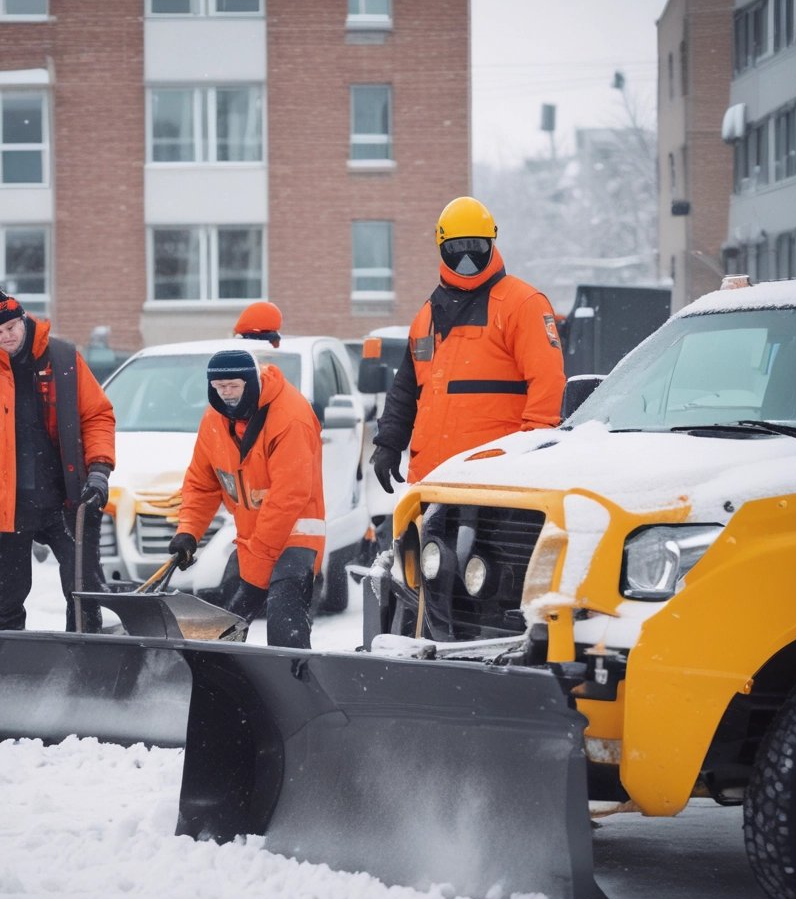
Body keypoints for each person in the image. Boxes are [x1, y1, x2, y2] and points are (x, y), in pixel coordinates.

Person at [0, 285, 117, 633]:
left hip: (68, 500)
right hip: (5, 507)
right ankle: (4, 671)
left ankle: (87, 665)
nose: (7, 337)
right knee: (4, 599)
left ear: (23, 320)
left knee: (85, 595)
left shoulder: (64, 360)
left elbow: (96, 416)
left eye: (12, 328)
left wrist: (99, 470)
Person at [371, 196, 565, 491]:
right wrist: (388, 443)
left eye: (476, 249)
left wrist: (533, 451)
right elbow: (406, 390)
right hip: (429, 482)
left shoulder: (522, 304)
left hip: (495, 483)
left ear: (492, 243)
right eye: (456, 251)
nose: (466, 262)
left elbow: (547, 382)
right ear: (441, 249)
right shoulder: (426, 316)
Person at [167, 349, 323, 648]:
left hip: (296, 535)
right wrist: (188, 532)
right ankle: (222, 683)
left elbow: (289, 497)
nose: (226, 394)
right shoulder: (214, 421)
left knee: (283, 625)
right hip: (253, 539)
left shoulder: (291, 418)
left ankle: (293, 683)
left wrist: (258, 565)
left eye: (233, 386)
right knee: (228, 627)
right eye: (218, 388)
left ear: (250, 383)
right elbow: (202, 484)